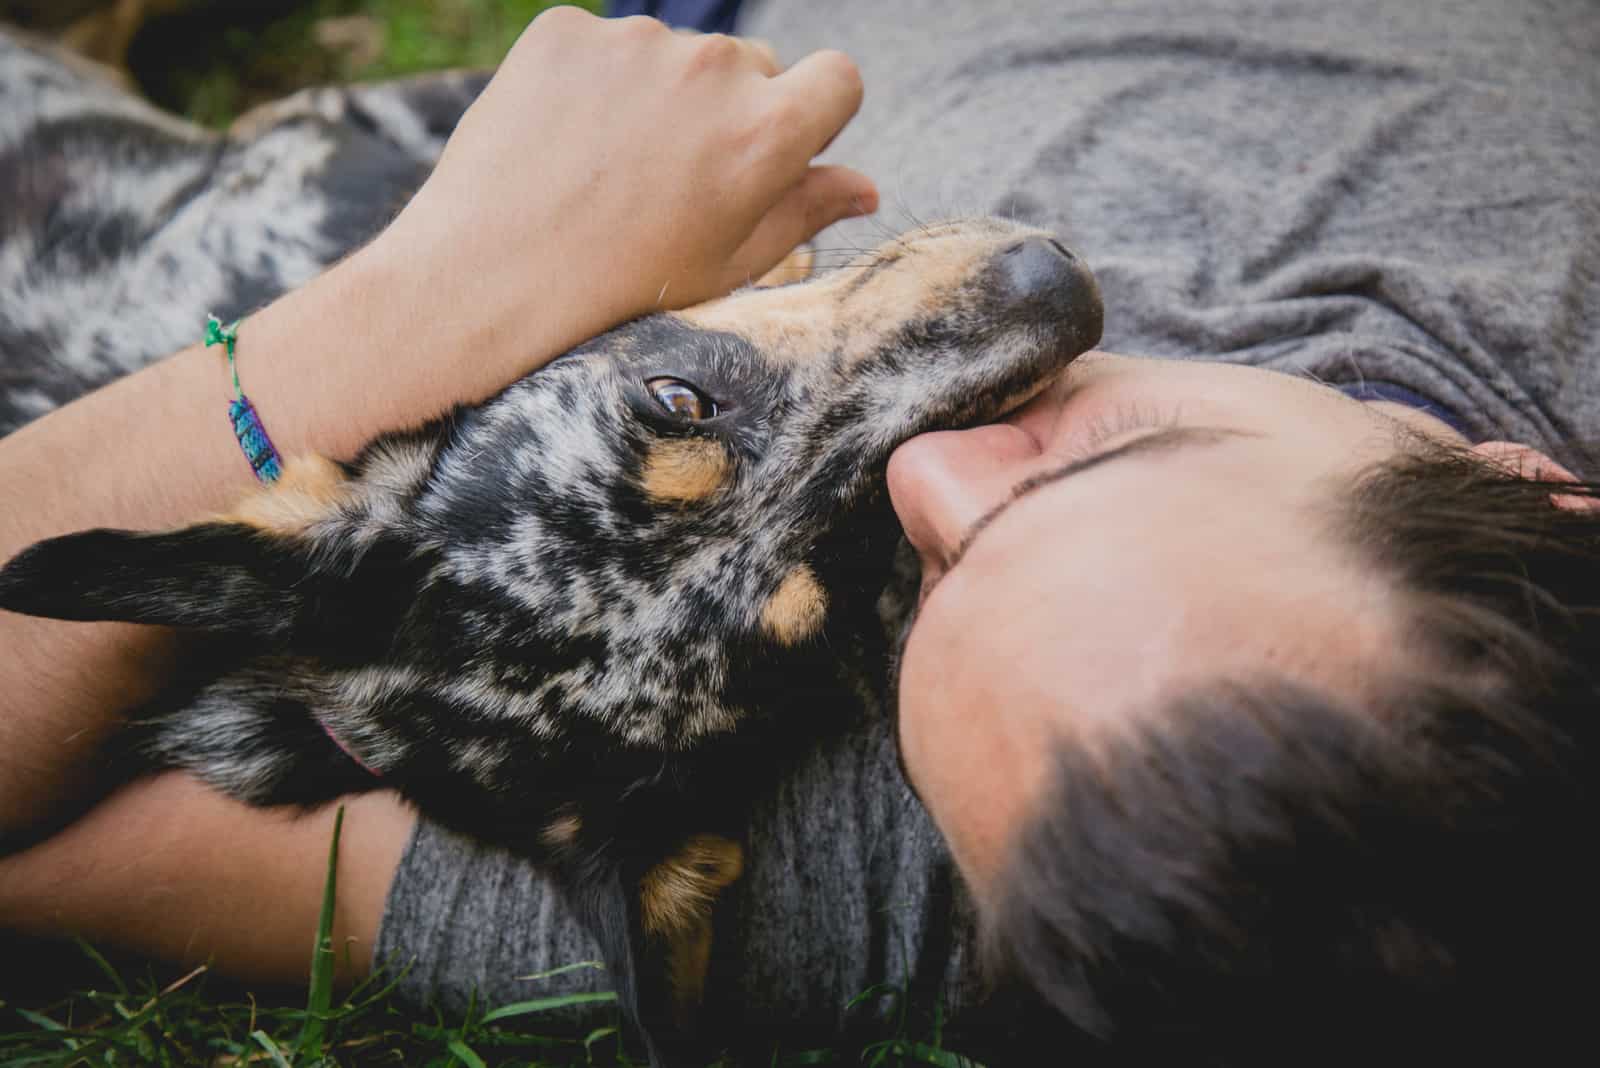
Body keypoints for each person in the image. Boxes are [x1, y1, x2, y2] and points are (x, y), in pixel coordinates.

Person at [3, 0, 1598, 1064]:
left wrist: (413, 301)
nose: (921, 480)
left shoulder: (1027, 838)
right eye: (1107, 454)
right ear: (1542, 486)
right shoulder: (1298, 721)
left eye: (897, 595)